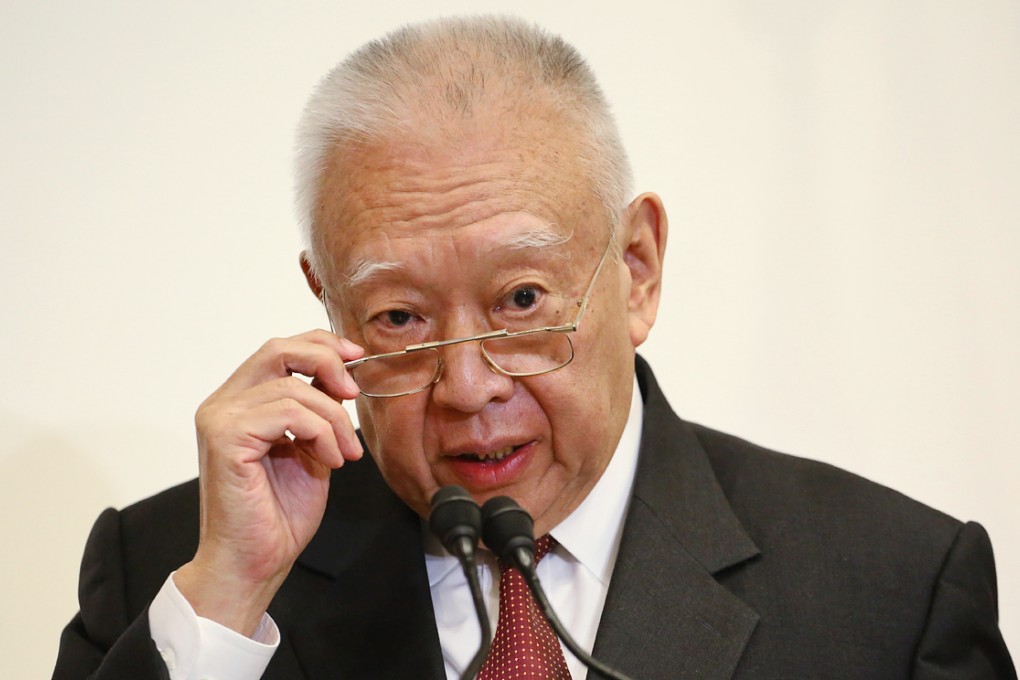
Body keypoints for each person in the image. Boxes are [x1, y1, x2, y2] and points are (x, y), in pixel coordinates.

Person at [53, 15, 1015, 680]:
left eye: (520, 301)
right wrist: (224, 607)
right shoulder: (177, 576)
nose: (467, 388)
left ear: (635, 269)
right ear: (326, 302)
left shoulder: (890, 592)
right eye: (398, 319)